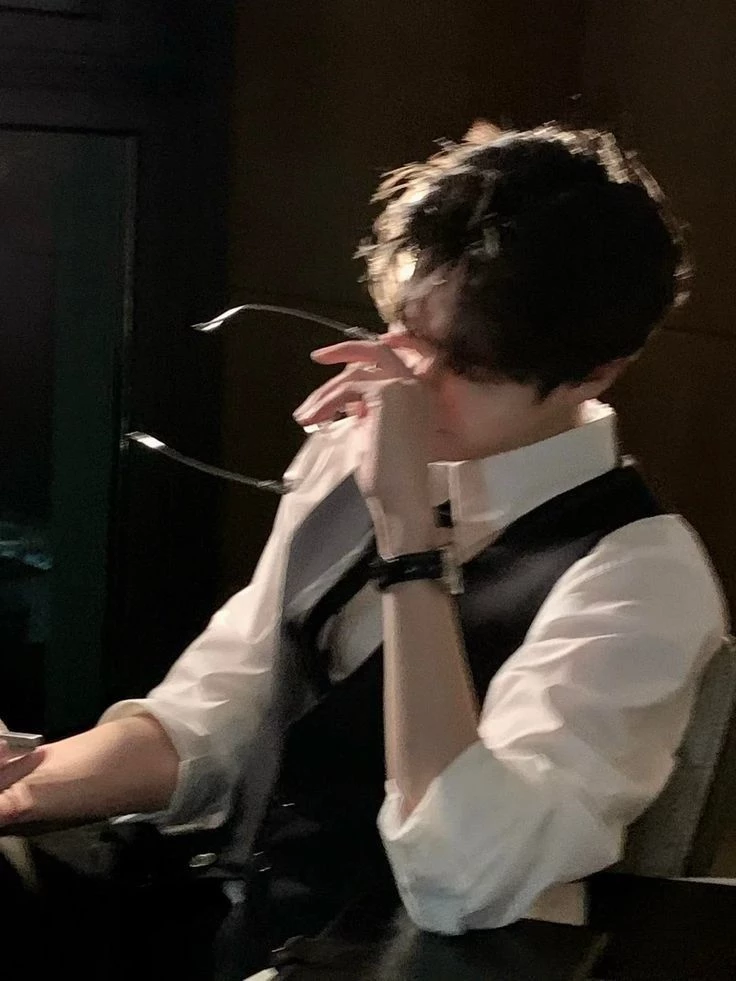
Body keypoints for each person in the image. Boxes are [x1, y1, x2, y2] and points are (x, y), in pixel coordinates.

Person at [0, 122, 727, 978]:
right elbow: (219, 715)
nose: (405, 383)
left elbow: (462, 878)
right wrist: (26, 784)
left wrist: (410, 539)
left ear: (599, 369)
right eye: (404, 332)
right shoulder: (349, 449)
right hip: (223, 906)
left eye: (465, 365)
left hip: (395, 955)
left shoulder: (640, 576)